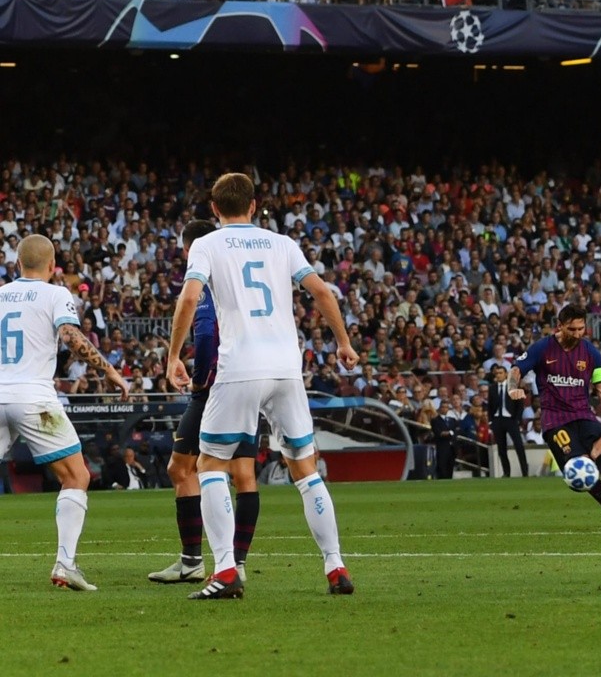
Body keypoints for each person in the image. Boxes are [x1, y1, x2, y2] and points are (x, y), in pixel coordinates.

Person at [167, 173, 357, 599]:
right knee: (305, 470)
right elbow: (322, 292)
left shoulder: (207, 244)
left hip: (240, 369)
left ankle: (226, 572)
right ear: (254, 206)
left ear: (214, 209)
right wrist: (343, 343)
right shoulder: (283, 244)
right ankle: (335, 566)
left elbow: (189, 297)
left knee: (210, 466)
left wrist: (173, 355)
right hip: (287, 369)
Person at [0, 234, 129, 591]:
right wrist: (111, 371)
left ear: (18, 263)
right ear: (54, 263)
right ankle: (65, 564)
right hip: (35, 398)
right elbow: (72, 336)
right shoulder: (56, 294)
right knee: (76, 476)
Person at [149, 219, 260, 585]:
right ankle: (238, 564)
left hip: (216, 386)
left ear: (188, 249)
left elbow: (207, 331)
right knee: (243, 474)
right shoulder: (238, 278)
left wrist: (201, 380)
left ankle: (192, 561)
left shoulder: (205, 277)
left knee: (181, 469)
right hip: (252, 378)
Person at [509, 304, 601, 529]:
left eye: (582, 329)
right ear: (559, 326)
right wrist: (513, 387)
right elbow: (516, 370)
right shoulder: (542, 348)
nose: (578, 334)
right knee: (582, 468)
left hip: (584, 414)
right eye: (572, 329)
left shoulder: (591, 353)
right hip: (556, 421)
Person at [488, 364, 528, 477]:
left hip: (511, 420)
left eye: (501, 373)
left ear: (506, 374)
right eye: (497, 373)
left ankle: (525, 472)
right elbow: (490, 406)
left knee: (519, 446)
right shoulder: (492, 388)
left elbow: (520, 405)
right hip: (497, 420)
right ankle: (506, 472)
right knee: (501, 448)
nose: (498, 375)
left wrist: (517, 420)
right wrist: (491, 421)